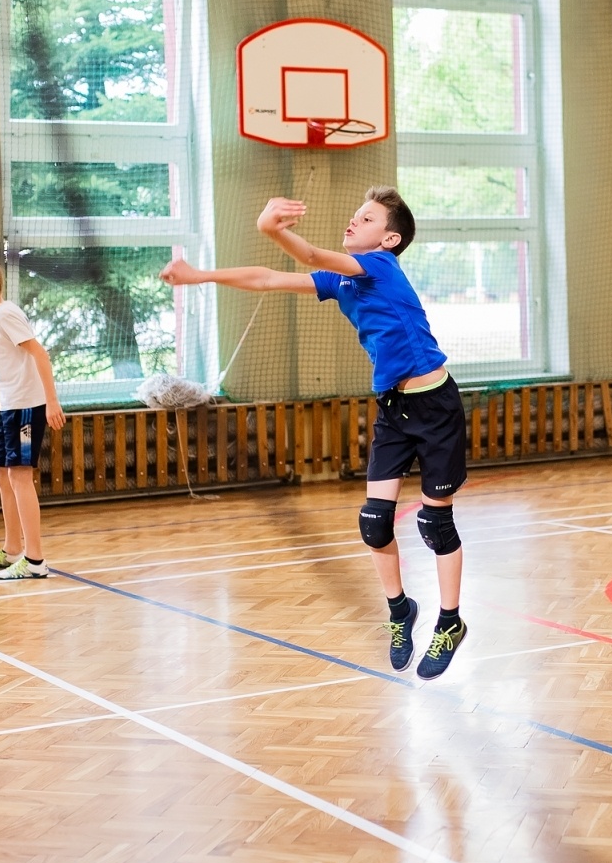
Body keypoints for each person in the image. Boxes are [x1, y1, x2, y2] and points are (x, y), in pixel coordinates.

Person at [161, 187, 470, 679]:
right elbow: (266, 279)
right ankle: (400, 611)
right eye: (355, 214)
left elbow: (305, 254)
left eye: (366, 218)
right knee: (374, 522)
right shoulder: (343, 281)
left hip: (435, 406)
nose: (354, 221)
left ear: (389, 239)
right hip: (393, 407)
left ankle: (450, 622)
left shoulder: (380, 267)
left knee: (435, 524)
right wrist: (200, 276)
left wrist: (272, 229)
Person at [0, 260, 65, 580]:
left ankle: (35, 560)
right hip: (11, 407)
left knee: (19, 476)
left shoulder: (6, 314)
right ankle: (13, 549)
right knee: (4, 475)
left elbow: (40, 354)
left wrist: (52, 402)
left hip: (25, 409)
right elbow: (16, 359)